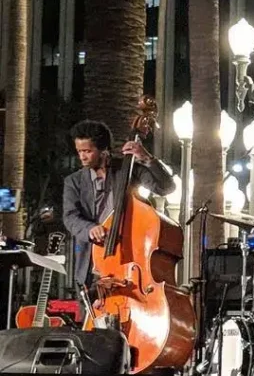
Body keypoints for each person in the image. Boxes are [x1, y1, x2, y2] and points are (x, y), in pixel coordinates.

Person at [62, 119, 175, 291]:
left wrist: (146, 158)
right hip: (92, 264)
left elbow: (166, 188)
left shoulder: (128, 169)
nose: (82, 157)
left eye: (87, 151)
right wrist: (90, 228)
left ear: (104, 150)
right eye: (79, 151)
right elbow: (70, 217)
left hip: (130, 258)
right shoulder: (73, 182)